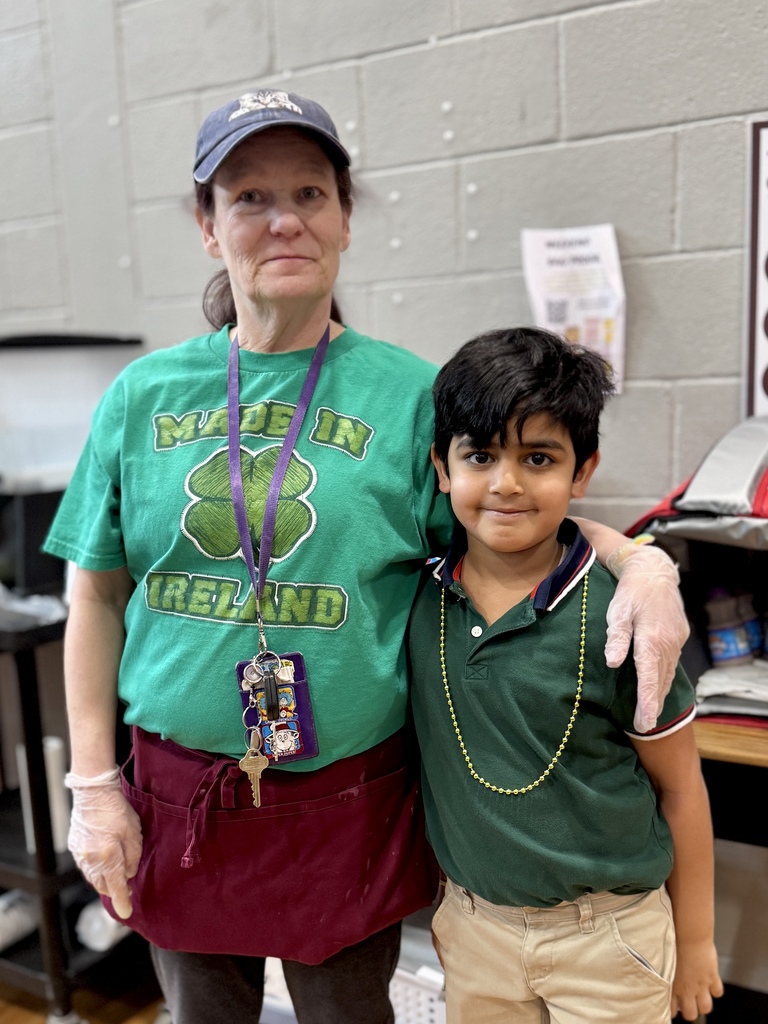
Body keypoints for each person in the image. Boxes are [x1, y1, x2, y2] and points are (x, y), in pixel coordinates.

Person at [43, 90, 690, 1024]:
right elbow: (95, 598)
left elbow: (510, 515)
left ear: (345, 216)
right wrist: (93, 786)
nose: (284, 219)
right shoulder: (141, 395)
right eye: (249, 197)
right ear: (206, 224)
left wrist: (644, 563)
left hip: (343, 796)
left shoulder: (412, 395)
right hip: (180, 796)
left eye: (310, 192)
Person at [407, 327, 723, 1024]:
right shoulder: (415, 595)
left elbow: (681, 789)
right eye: (480, 456)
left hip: (608, 939)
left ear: (582, 472)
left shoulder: (627, 614)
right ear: (441, 467)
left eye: (539, 457)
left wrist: (697, 941)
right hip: (473, 930)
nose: (507, 482)